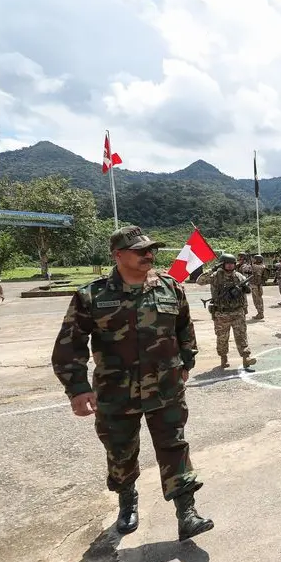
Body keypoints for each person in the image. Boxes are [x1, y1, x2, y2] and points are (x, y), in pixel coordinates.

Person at [51, 225, 213, 540]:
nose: (148, 255)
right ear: (118, 255)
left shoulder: (170, 288)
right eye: (140, 251)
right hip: (115, 392)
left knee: (174, 445)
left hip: (165, 388)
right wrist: (77, 388)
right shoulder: (92, 295)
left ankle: (187, 512)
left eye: (150, 249)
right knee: (121, 451)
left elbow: (184, 329)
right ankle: (127, 499)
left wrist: (186, 363)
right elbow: (69, 345)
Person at [196, 254, 258, 369]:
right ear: (222, 264)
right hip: (221, 313)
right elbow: (199, 281)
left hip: (238, 312)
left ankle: (246, 358)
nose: (230, 266)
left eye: (232, 263)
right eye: (227, 263)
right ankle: (223, 357)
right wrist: (213, 269)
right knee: (222, 337)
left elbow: (246, 292)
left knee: (242, 336)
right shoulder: (215, 276)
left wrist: (245, 306)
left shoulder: (239, 276)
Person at [248, 254, 267, 319]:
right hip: (258, 285)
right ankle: (260, 313)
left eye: (254, 259)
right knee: (259, 299)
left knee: (257, 300)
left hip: (256, 285)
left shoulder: (256, 266)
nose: (253, 260)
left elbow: (249, 268)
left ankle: (260, 313)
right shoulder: (262, 266)